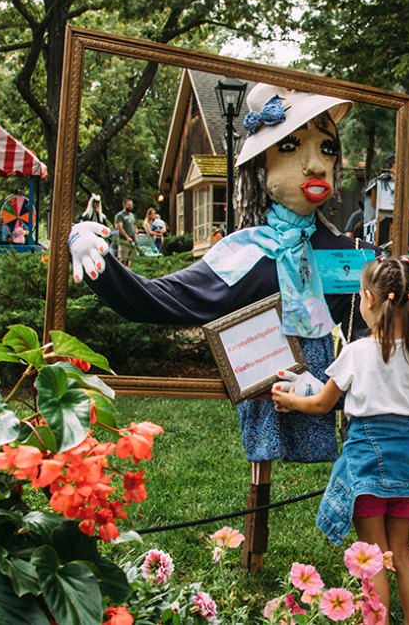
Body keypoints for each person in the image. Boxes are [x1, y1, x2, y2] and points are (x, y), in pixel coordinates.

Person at [69, 83, 377, 464]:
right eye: (290, 146)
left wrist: (334, 388)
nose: (316, 164)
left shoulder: (353, 257)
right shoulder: (243, 253)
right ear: (260, 166)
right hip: (264, 393)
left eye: (327, 148)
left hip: (336, 412)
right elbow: (157, 301)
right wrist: (96, 255)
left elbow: (380, 341)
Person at [272, 256, 409, 624]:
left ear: (369, 301)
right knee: (402, 554)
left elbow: (324, 403)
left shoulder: (356, 352)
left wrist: (291, 400)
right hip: (405, 459)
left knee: (374, 555)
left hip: (366, 459)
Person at [114, 198, 138, 268]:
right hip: (124, 240)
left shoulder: (132, 215)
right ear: (124, 205)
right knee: (123, 259)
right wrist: (127, 237)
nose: (130, 207)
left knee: (132, 258)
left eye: (131, 205)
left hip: (133, 240)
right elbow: (120, 227)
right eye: (129, 205)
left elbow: (134, 225)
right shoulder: (120, 215)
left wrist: (135, 232)